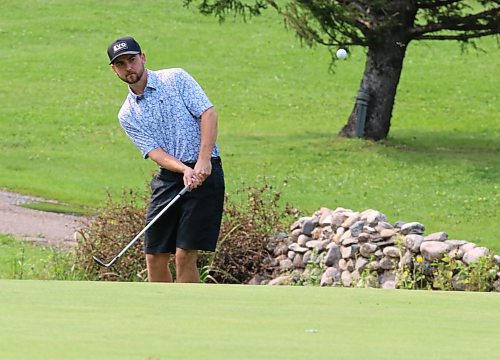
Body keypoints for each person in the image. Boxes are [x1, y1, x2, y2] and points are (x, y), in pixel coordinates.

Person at [107, 36, 225, 283]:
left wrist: (203, 161)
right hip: (171, 176)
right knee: (154, 255)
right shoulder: (127, 114)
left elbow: (208, 114)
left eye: (132, 60)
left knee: (184, 254)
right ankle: (161, 314)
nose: (128, 67)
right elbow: (155, 153)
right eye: (121, 64)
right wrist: (183, 169)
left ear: (143, 58)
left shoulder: (176, 78)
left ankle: (188, 314)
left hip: (205, 170)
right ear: (114, 70)